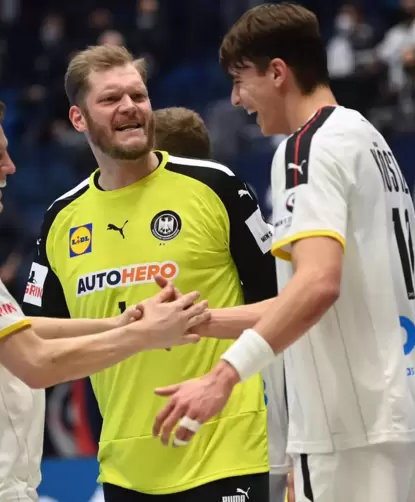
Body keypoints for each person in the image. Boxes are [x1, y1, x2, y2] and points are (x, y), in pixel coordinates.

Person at [151, 4, 415, 502]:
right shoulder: (368, 137)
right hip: (414, 414)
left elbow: (317, 285)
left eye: (239, 80)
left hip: (353, 428)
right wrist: (198, 322)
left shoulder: (304, 148)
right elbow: (311, 296)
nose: (235, 99)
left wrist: (223, 375)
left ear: (277, 73)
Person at [0, 88, 209, 502]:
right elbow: (35, 365)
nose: (10, 167)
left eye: (6, 152)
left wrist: (115, 323)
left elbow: (13, 328)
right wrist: (146, 336)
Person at [21, 45, 277, 501]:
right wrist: (121, 329)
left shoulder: (216, 185)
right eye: (110, 99)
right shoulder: (62, 218)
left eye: (138, 96)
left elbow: (283, 305)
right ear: (78, 119)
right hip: (126, 467)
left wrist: (205, 330)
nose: (129, 108)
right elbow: (36, 334)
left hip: (227, 453)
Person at [153, 105, 293, 502]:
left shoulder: (222, 198)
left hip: (244, 428)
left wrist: (198, 321)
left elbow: (280, 303)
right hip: (248, 423)